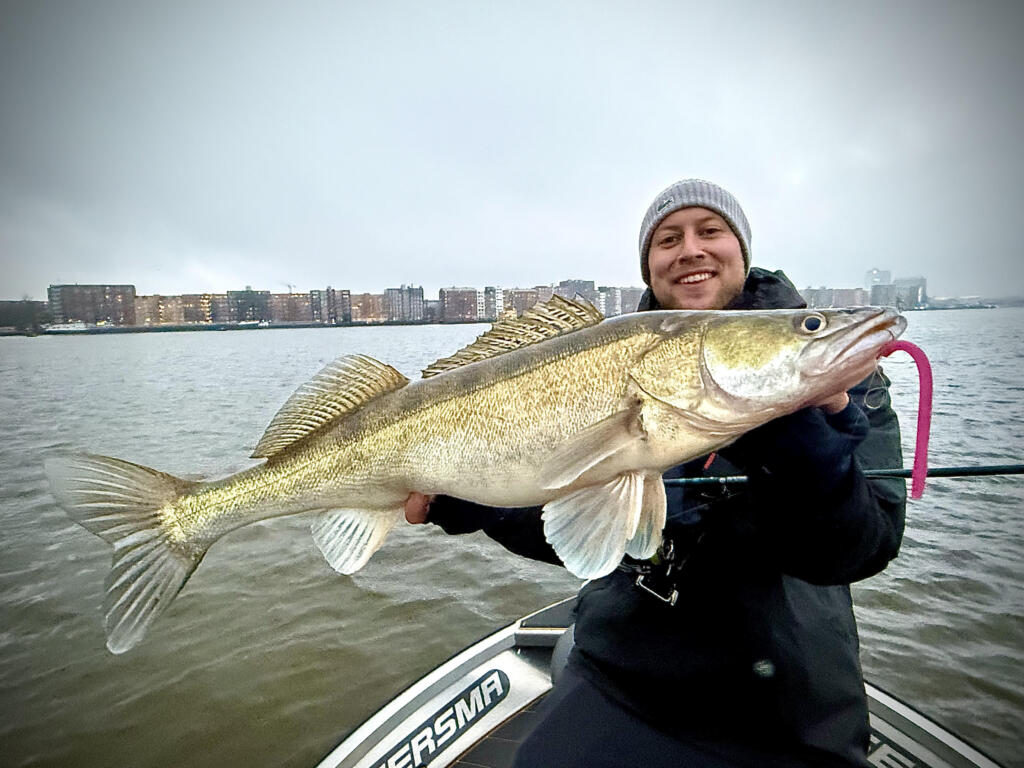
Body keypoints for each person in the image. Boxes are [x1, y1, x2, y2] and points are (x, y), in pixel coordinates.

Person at [405, 179, 906, 767]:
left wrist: (806, 456)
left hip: (787, 692)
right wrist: (476, 498)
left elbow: (858, 550)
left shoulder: (837, 383)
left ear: (742, 252)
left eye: (710, 231)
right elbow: (577, 532)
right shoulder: (608, 363)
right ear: (650, 267)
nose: (690, 249)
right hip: (627, 669)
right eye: (668, 239)